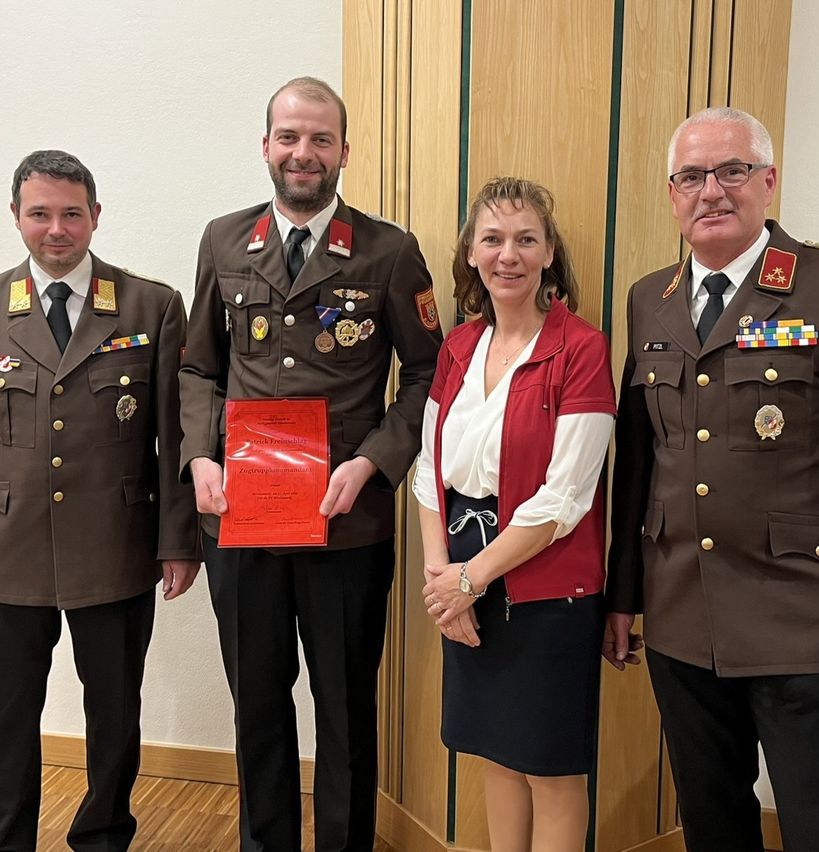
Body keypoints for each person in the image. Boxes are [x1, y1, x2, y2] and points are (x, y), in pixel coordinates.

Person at [179, 77, 442, 851]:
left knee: (345, 709)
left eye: (320, 139)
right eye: (289, 137)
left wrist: (373, 463)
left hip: (345, 523)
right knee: (257, 706)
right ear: (266, 146)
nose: (304, 153)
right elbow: (199, 369)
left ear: (343, 153)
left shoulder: (389, 251)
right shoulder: (225, 240)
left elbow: (428, 374)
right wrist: (199, 456)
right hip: (242, 518)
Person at [604, 107, 819, 852]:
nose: (712, 191)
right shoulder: (653, 297)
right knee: (711, 821)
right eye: (691, 176)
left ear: (768, 182)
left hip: (800, 617)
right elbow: (638, 461)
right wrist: (624, 598)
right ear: (672, 193)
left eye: (732, 170)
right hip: (683, 615)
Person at [0, 150, 199, 852]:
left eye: (71, 214)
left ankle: (104, 835)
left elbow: (177, 435)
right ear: (17, 217)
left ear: (96, 216)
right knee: (9, 713)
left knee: (114, 708)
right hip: (10, 548)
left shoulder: (151, 305)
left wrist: (180, 541)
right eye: (40, 214)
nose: (57, 229)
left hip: (116, 542)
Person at [413, 177, 616, 852]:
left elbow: (565, 498)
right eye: (493, 239)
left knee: (551, 771)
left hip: (546, 588)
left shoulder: (582, 349)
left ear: (549, 252)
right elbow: (427, 472)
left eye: (526, 239)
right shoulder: (458, 348)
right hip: (463, 579)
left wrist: (471, 580)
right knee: (495, 755)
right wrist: (445, 584)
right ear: (470, 251)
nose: (509, 254)